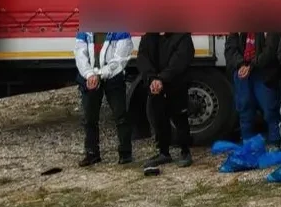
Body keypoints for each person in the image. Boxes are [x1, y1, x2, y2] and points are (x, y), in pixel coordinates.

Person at [74, 31, 135, 166]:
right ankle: (92, 153)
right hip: (89, 78)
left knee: (121, 116)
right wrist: (89, 74)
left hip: (113, 77)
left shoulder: (120, 29)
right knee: (89, 118)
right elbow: (80, 55)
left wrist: (100, 74)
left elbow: (121, 58)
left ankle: (126, 153)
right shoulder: (85, 31)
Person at [139, 32, 196, 168]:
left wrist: (162, 78)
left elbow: (180, 60)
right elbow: (142, 59)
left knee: (180, 118)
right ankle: (164, 153)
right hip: (155, 86)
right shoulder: (148, 37)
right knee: (159, 119)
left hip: (176, 84)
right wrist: (152, 79)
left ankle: (185, 152)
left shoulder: (182, 36)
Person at [224, 32, 281, 147]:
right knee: (244, 108)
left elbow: (270, 51)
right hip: (242, 72)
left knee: (270, 109)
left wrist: (251, 66)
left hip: (263, 73)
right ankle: (248, 143)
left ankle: (275, 143)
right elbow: (230, 49)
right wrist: (240, 64)